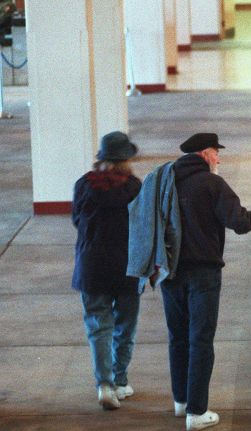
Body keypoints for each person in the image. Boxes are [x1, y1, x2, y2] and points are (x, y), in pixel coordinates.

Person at [161, 133, 251, 431]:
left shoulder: (165, 181)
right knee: (200, 339)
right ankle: (197, 412)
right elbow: (240, 223)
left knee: (178, 337)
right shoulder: (212, 184)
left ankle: (181, 401)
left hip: (170, 272)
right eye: (217, 153)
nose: (219, 159)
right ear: (205, 153)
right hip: (203, 273)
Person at [72, 131, 142, 410]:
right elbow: (143, 226)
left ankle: (104, 384)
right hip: (127, 266)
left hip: (92, 266)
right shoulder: (134, 187)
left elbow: (77, 219)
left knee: (98, 326)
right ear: (126, 159)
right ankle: (120, 380)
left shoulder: (83, 185)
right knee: (125, 326)